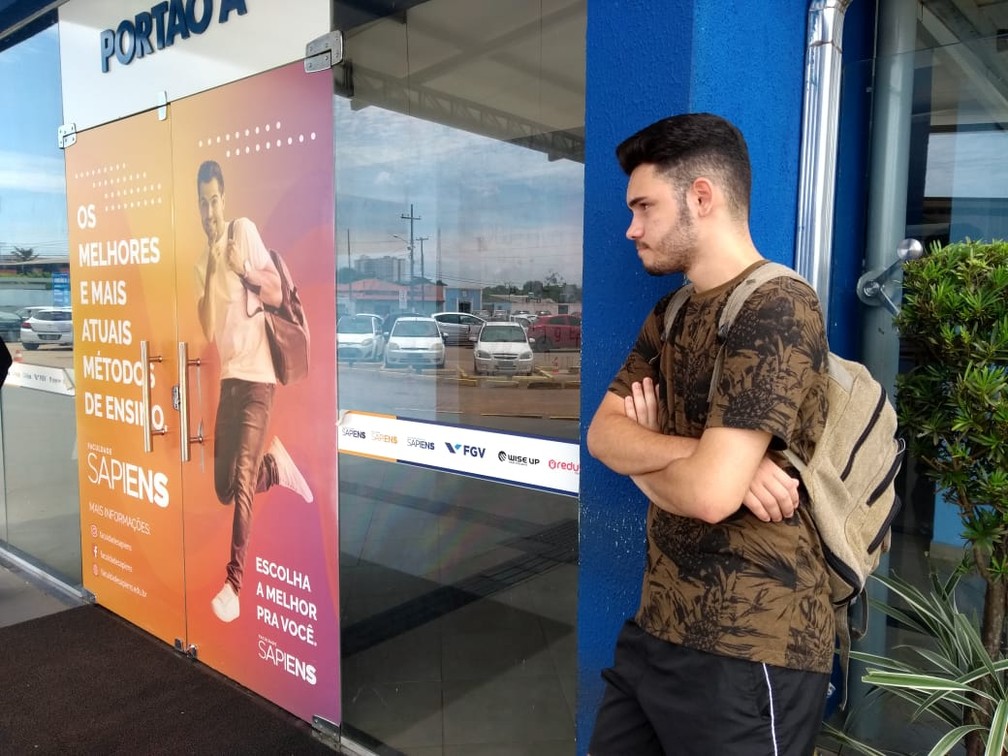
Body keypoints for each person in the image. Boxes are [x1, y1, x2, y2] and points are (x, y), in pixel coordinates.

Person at [585, 114, 834, 755]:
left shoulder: (778, 307)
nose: (631, 228)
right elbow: (601, 437)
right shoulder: (669, 313)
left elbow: (707, 497)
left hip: (751, 647)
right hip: (655, 626)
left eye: (645, 206)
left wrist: (656, 460)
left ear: (702, 196)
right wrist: (711, 461)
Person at [195, 159, 313, 624]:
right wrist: (211, 266)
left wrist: (241, 267)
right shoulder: (203, 259)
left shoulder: (242, 232)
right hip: (229, 382)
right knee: (224, 488)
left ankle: (234, 583)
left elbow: (280, 293)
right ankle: (275, 467)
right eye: (202, 203)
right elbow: (206, 327)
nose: (209, 210)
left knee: (240, 482)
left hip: (260, 378)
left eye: (214, 199)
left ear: (224, 198)